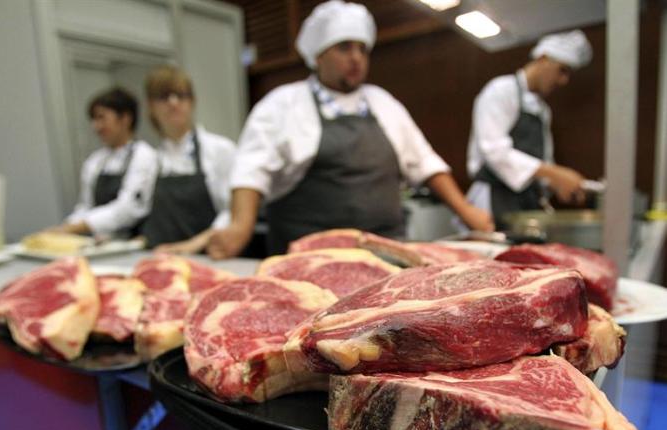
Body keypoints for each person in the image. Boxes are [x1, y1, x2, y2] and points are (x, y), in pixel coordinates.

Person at [179, 0, 492, 258]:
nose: (356, 57)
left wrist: (466, 210)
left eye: (362, 49)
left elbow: (425, 163)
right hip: (310, 260)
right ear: (318, 56)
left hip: (388, 254)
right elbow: (251, 171)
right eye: (344, 48)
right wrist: (240, 225)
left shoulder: (383, 103)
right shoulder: (283, 104)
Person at [466, 29, 593, 229]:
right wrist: (556, 174)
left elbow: (544, 162)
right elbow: (494, 150)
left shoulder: (543, 110)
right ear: (543, 58)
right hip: (494, 200)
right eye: (562, 70)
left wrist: (556, 184)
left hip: (526, 204)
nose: (563, 81)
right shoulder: (501, 90)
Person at [141, 65, 236, 249]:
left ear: (192, 102)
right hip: (160, 258)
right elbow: (141, 211)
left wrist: (194, 244)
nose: (173, 103)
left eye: (181, 95)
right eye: (163, 97)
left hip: (208, 257)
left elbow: (233, 211)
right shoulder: (150, 159)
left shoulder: (220, 150)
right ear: (151, 106)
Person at [52, 87, 157, 238]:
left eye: (102, 118)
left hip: (131, 244)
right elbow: (85, 207)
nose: (96, 126)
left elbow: (128, 209)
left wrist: (75, 228)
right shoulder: (94, 162)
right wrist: (65, 228)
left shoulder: (144, 155)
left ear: (125, 119)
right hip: (98, 243)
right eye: (94, 119)